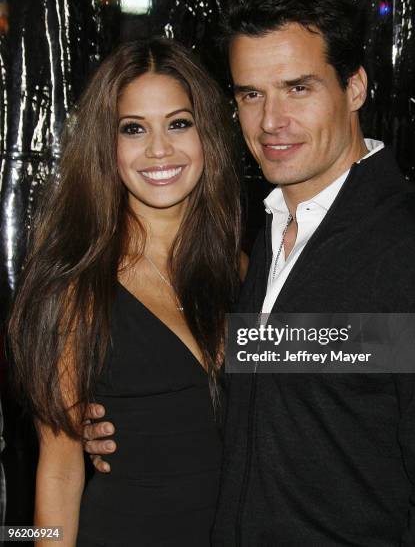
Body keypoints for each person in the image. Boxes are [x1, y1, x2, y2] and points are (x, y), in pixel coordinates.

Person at [84, 0, 415, 546]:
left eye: (297, 88)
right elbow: (277, 399)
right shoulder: (262, 241)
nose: (272, 120)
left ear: (355, 86)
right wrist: (119, 421)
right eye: (250, 94)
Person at [9, 37, 242, 546]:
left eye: (179, 123)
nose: (159, 149)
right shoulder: (74, 285)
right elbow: (59, 472)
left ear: (209, 134)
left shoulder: (247, 271)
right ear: (105, 145)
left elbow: (346, 367)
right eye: (133, 129)